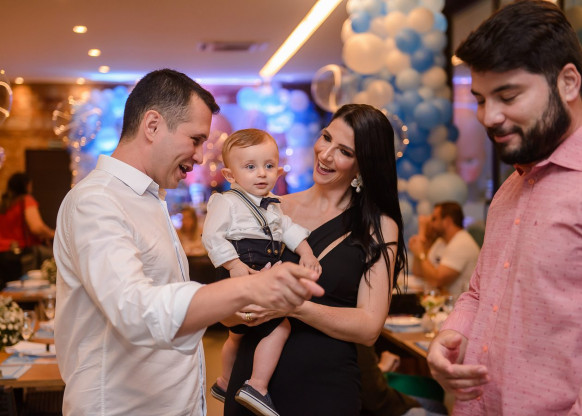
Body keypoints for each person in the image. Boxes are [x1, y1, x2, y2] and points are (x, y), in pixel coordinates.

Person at [53, 68, 323, 416]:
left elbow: (167, 303)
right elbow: (134, 310)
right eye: (195, 139)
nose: (200, 155)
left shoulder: (149, 199)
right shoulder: (97, 201)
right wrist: (248, 287)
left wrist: (236, 310)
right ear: (153, 125)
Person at [427, 1, 582, 414]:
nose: (489, 117)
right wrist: (451, 335)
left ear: (568, 82)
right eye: (480, 99)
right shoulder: (510, 188)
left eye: (508, 96)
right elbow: (481, 292)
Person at [223, 103, 407, 416]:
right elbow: (228, 310)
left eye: (344, 151)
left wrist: (293, 307)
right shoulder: (270, 208)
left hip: (323, 390)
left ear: (363, 165)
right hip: (249, 386)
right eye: (326, 137)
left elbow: (369, 327)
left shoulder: (378, 226)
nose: (325, 154)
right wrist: (238, 307)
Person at [201, 128, 321, 415]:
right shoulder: (226, 201)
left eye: (268, 166)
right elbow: (212, 237)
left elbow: (288, 230)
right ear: (230, 175)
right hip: (239, 266)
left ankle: (225, 381)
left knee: (237, 334)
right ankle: (257, 386)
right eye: (250, 167)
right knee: (281, 326)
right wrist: (234, 265)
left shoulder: (273, 206)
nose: (261, 174)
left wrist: (306, 252)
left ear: (278, 170)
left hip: (260, 267)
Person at [408, 202, 480, 297]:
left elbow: (437, 281)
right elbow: (419, 273)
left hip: (456, 303)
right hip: (439, 300)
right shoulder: (441, 242)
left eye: (434, 219)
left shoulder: (462, 243)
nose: (431, 223)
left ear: (447, 221)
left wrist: (421, 253)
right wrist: (422, 236)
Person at [0, 172, 55, 283]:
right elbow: (36, 228)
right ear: (26, 185)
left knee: (6, 289)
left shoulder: (4, 203)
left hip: (3, 254)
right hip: (20, 256)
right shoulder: (26, 200)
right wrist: (54, 234)